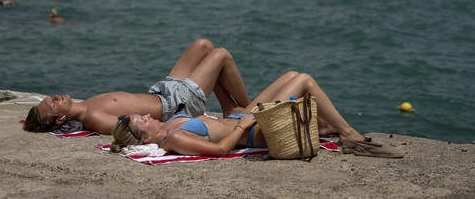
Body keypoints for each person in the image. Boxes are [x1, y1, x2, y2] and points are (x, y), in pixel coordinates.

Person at [111, 71, 405, 158]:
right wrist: (246, 123)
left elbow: (215, 126)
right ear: (145, 136)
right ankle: (349, 135)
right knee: (305, 81)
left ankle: (325, 129)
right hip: (254, 130)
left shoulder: (171, 123)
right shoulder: (173, 139)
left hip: (244, 118)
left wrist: (237, 114)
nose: (147, 116)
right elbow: (221, 149)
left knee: (291, 74)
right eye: (143, 121)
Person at [23, 39, 250, 134]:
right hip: (176, 104)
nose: (55, 97)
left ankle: (228, 108)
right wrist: (176, 126)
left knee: (203, 46)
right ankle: (252, 110)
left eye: (51, 97)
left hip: (163, 90)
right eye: (53, 104)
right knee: (221, 55)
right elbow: (131, 130)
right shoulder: (93, 116)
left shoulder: (86, 106)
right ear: (60, 119)